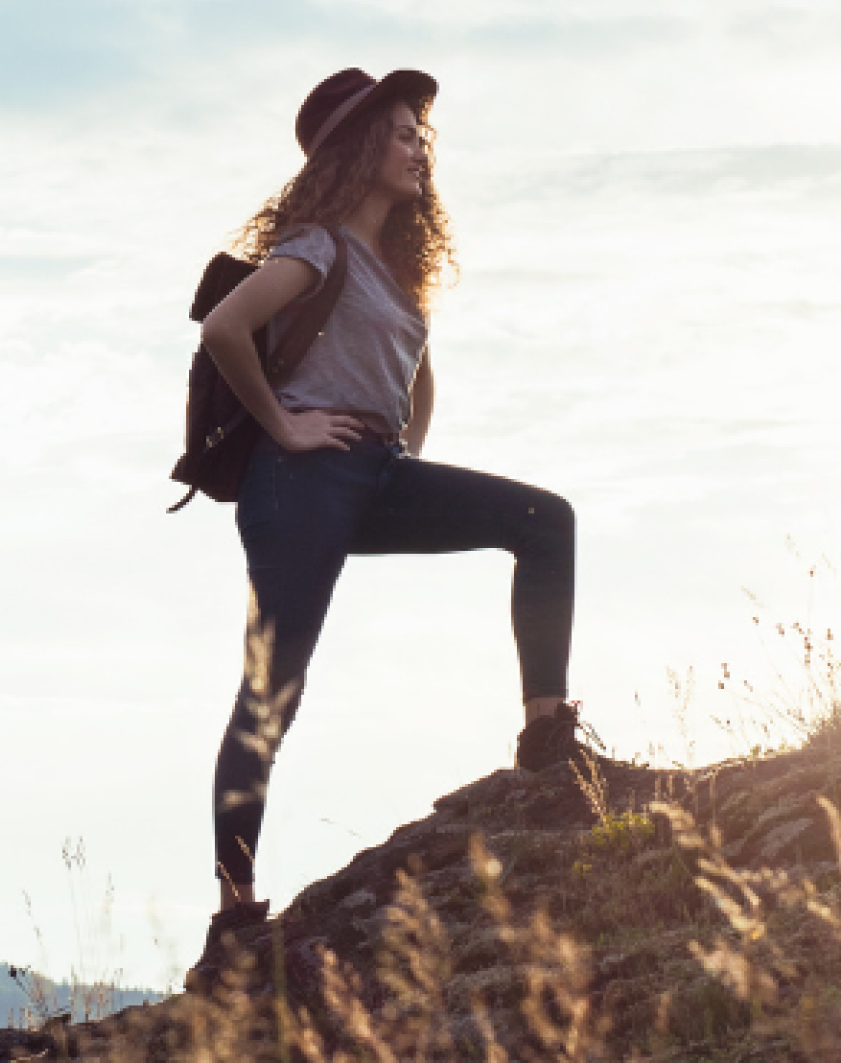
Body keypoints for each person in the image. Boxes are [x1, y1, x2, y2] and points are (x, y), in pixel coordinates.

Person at [186, 68, 584, 983]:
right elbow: (224, 328)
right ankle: (235, 913)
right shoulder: (317, 247)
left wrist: (405, 450)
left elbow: (418, 375)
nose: (418, 147)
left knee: (543, 520)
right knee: (270, 692)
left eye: (418, 133)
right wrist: (286, 426)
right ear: (357, 151)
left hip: (371, 473)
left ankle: (546, 735)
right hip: (297, 482)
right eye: (400, 133)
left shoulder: (400, 268)